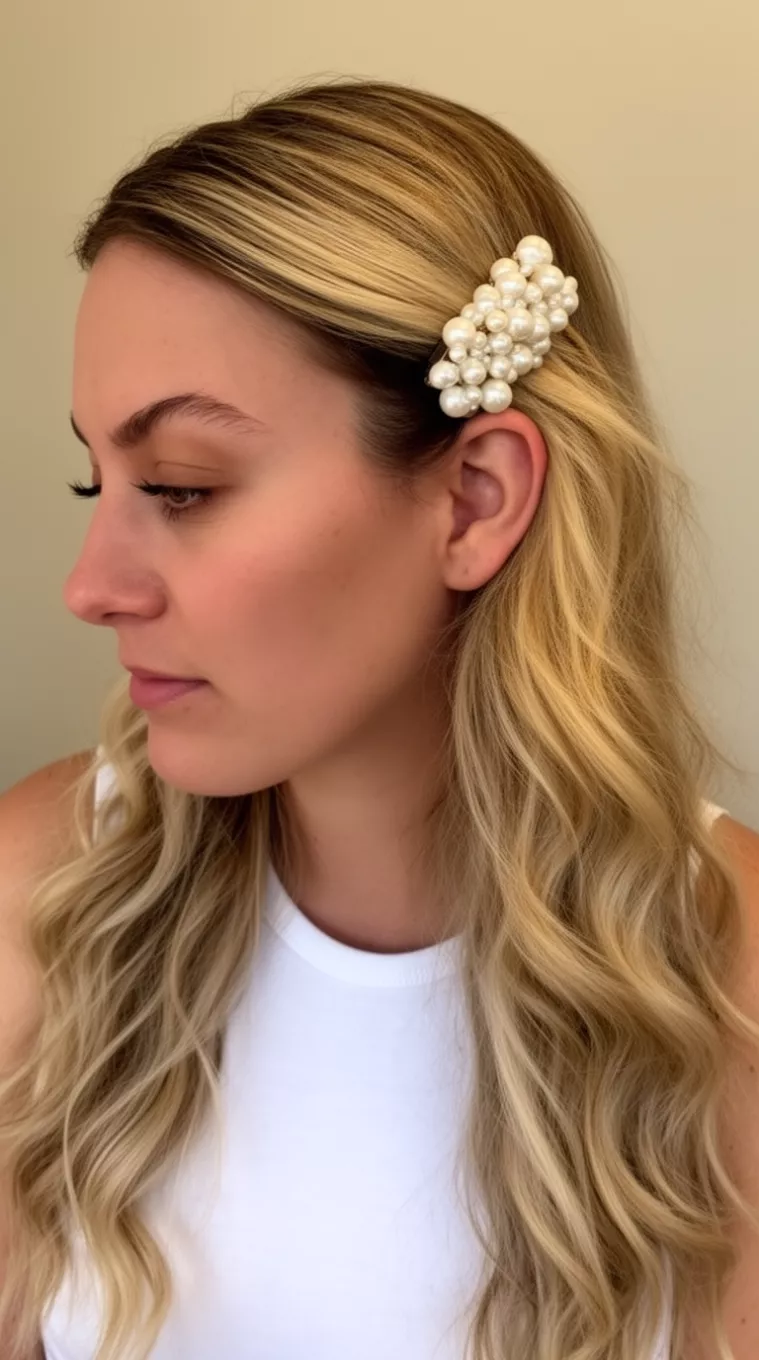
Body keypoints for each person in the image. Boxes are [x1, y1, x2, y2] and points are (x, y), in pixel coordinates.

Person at [0, 76, 758, 1360]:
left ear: (474, 496)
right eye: (99, 475)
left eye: (181, 485)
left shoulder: (724, 991)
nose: (92, 584)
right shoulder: (44, 894)